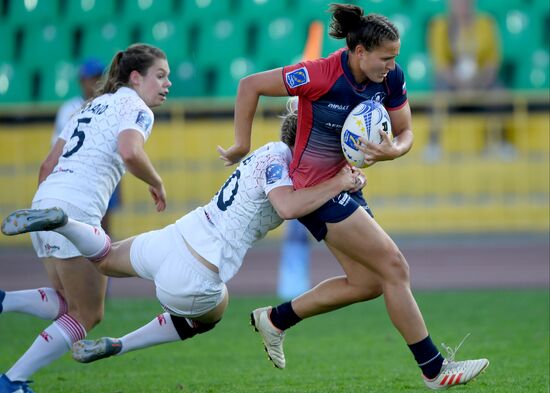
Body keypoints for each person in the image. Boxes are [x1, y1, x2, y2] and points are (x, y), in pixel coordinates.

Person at [217, 3, 489, 390]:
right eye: (386, 58)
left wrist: (394, 149)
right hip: (316, 191)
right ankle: (434, 369)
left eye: (395, 58)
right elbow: (250, 85)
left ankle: (276, 319)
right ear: (360, 52)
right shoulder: (320, 75)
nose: (391, 66)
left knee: (368, 283)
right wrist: (240, 143)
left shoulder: (390, 78)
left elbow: (406, 130)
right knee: (394, 266)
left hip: (345, 184)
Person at [1, 109, 362, 368]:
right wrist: (342, 182)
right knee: (210, 315)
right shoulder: (286, 170)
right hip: (198, 273)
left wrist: (341, 176)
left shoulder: (267, 151)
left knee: (106, 258)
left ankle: (65, 224)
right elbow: (287, 206)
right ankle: (121, 345)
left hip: (173, 237)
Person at [0, 43, 170, 393]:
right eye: (160, 76)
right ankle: (12, 381)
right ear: (136, 78)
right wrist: (156, 182)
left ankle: (5, 301)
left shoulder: (87, 106)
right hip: (76, 209)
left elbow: (47, 165)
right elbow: (129, 151)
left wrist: (45, 200)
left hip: (45, 198)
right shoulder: (137, 108)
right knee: (89, 313)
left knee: (67, 301)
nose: (167, 84)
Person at [424, 0, 509, 161]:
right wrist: (462, 85)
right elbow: (441, 63)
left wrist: (478, 83)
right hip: (452, 81)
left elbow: (492, 60)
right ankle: (434, 143)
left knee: (499, 92)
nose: (461, 4)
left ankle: (500, 141)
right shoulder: (440, 24)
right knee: (438, 92)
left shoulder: (485, 22)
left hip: (480, 79)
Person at [51, 57, 122, 235]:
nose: (97, 82)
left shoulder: (111, 102)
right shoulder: (69, 108)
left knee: (104, 223)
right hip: (76, 172)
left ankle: (104, 257)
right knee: (77, 223)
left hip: (103, 168)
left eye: (100, 77)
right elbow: (57, 146)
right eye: (92, 77)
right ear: (82, 80)